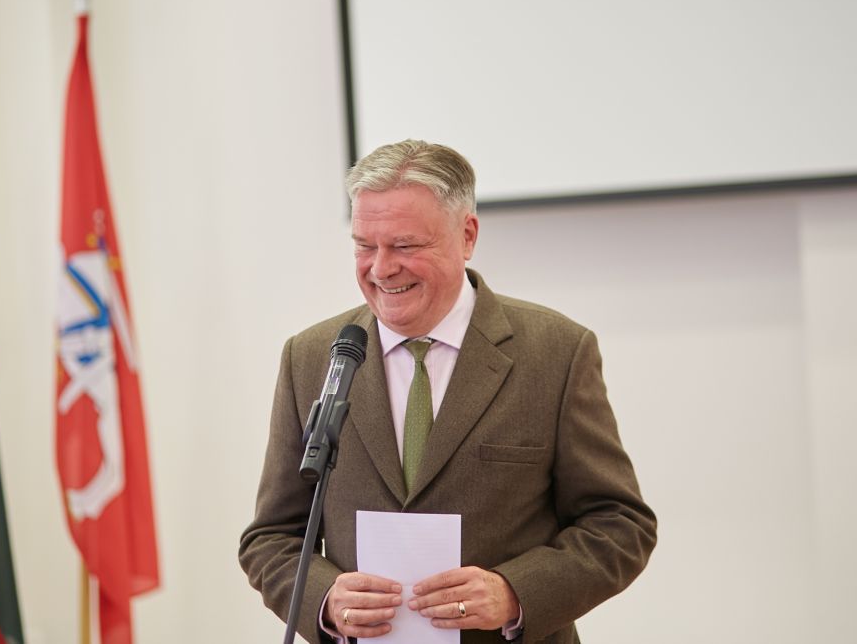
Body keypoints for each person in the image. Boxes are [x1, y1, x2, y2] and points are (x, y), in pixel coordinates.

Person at [239, 140, 656, 643]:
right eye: (365, 245)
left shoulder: (557, 353)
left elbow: (620, 524)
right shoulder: (312, 357)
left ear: (467, 235)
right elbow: (271, 538)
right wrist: (325, 601)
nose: (380, 268)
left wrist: (514, 593)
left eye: (406, 245)